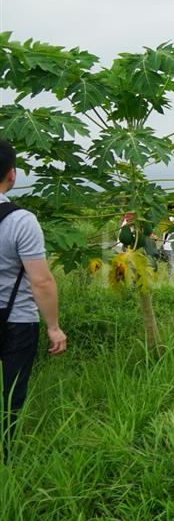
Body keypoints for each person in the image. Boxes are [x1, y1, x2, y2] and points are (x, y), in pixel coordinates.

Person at [0, 139, 67, 460]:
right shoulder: (21, 220)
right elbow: (41, 280)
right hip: (17, 320)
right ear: (12, 174)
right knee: (12, 394)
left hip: (16, 319)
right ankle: (5, 455)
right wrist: (53, 327)